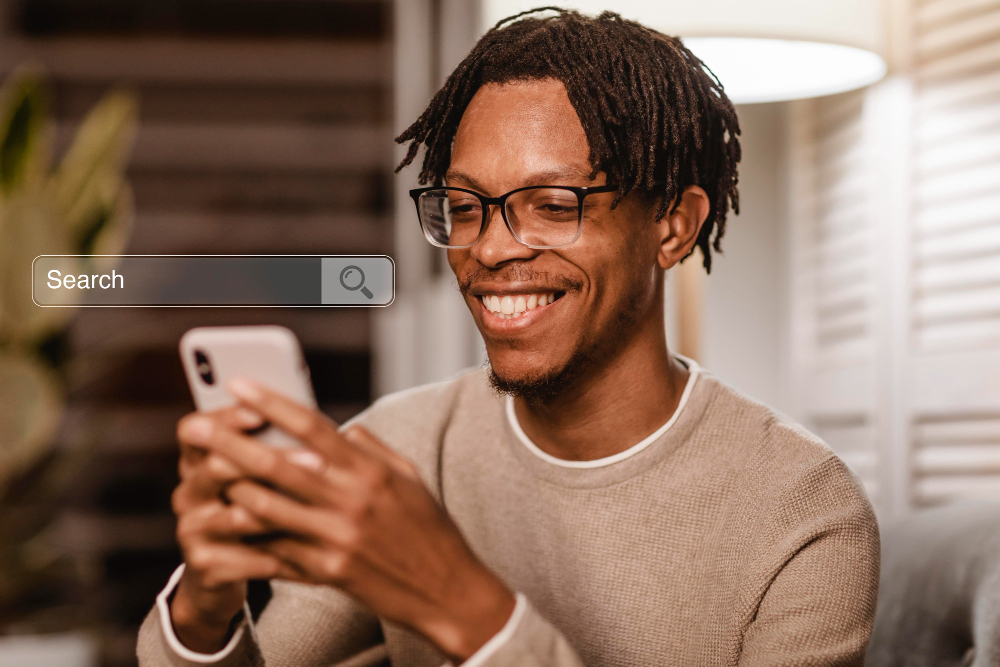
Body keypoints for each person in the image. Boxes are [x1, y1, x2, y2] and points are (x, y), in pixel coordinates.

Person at [137, 8, 880, 667]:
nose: (489, 250)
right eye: (465, 207)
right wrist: (204, 611)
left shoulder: (805, 514)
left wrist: (463, 605)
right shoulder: (401, 449)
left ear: (673, 225)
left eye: (554, 205)